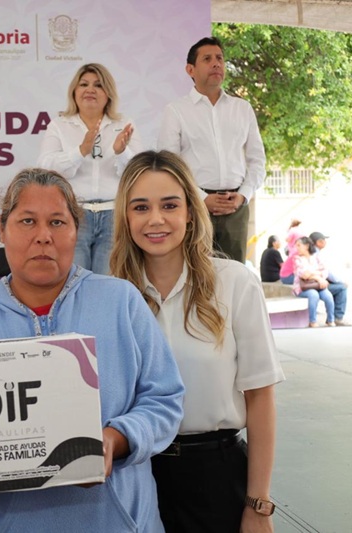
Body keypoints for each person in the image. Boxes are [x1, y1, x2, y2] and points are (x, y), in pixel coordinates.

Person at [0, 168, 184, 532]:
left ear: (76, 230)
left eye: (57, 222)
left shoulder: (121, 302)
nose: (43, 236)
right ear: (2, 229)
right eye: (27, 221)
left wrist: (116, 439)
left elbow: (165, 400)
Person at [110, 150, 284, 532]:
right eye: (141, 207)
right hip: (134, 477)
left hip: (215, 479)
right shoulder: (110, 296)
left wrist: (258, 504)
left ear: (191, 211)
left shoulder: (235, 283)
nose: (156, 219)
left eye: (169, 205)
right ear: (125, 216)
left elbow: (260, 398)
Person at [156, 37, 266, 264]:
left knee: (234, 275)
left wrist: (243, 195)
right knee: (196, 273)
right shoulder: (176, 111)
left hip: (236, 208)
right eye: (207, 59)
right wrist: (202, 198)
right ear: (190, 70)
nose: (216, 63)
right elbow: (168, 167)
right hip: (194, 207)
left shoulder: (242, 109)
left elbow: (257, 161)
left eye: (220, 59)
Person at [38, 63, 141, 275]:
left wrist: (122, 152)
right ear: (74, 92)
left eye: (98, 85)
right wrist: (80, 151)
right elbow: (45, 168)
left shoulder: (124, 124)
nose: (90, 90)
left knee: (107, 283)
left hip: (114, 216)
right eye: (84, 84)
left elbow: (139, 172)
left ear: (108, 93)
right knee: (73, 281)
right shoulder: (59, 125)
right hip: (73, 214)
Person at [295, 235, 349, 327]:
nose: (297, 248)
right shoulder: (297, 259)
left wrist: (313, 274)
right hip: (304, 287)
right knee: (313, 295)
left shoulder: (316, 257)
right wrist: (318, 277)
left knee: (328, 296)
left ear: (306, 246)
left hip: (317, 285)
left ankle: (331, 320)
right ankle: (312, 321)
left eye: (299, 245)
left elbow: (324, 271)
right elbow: (303, 274)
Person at [279, 219, 303, 284]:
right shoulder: (300, 230)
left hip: (292, 249)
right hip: (289, 276)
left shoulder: (292, 230)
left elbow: (287, 239)